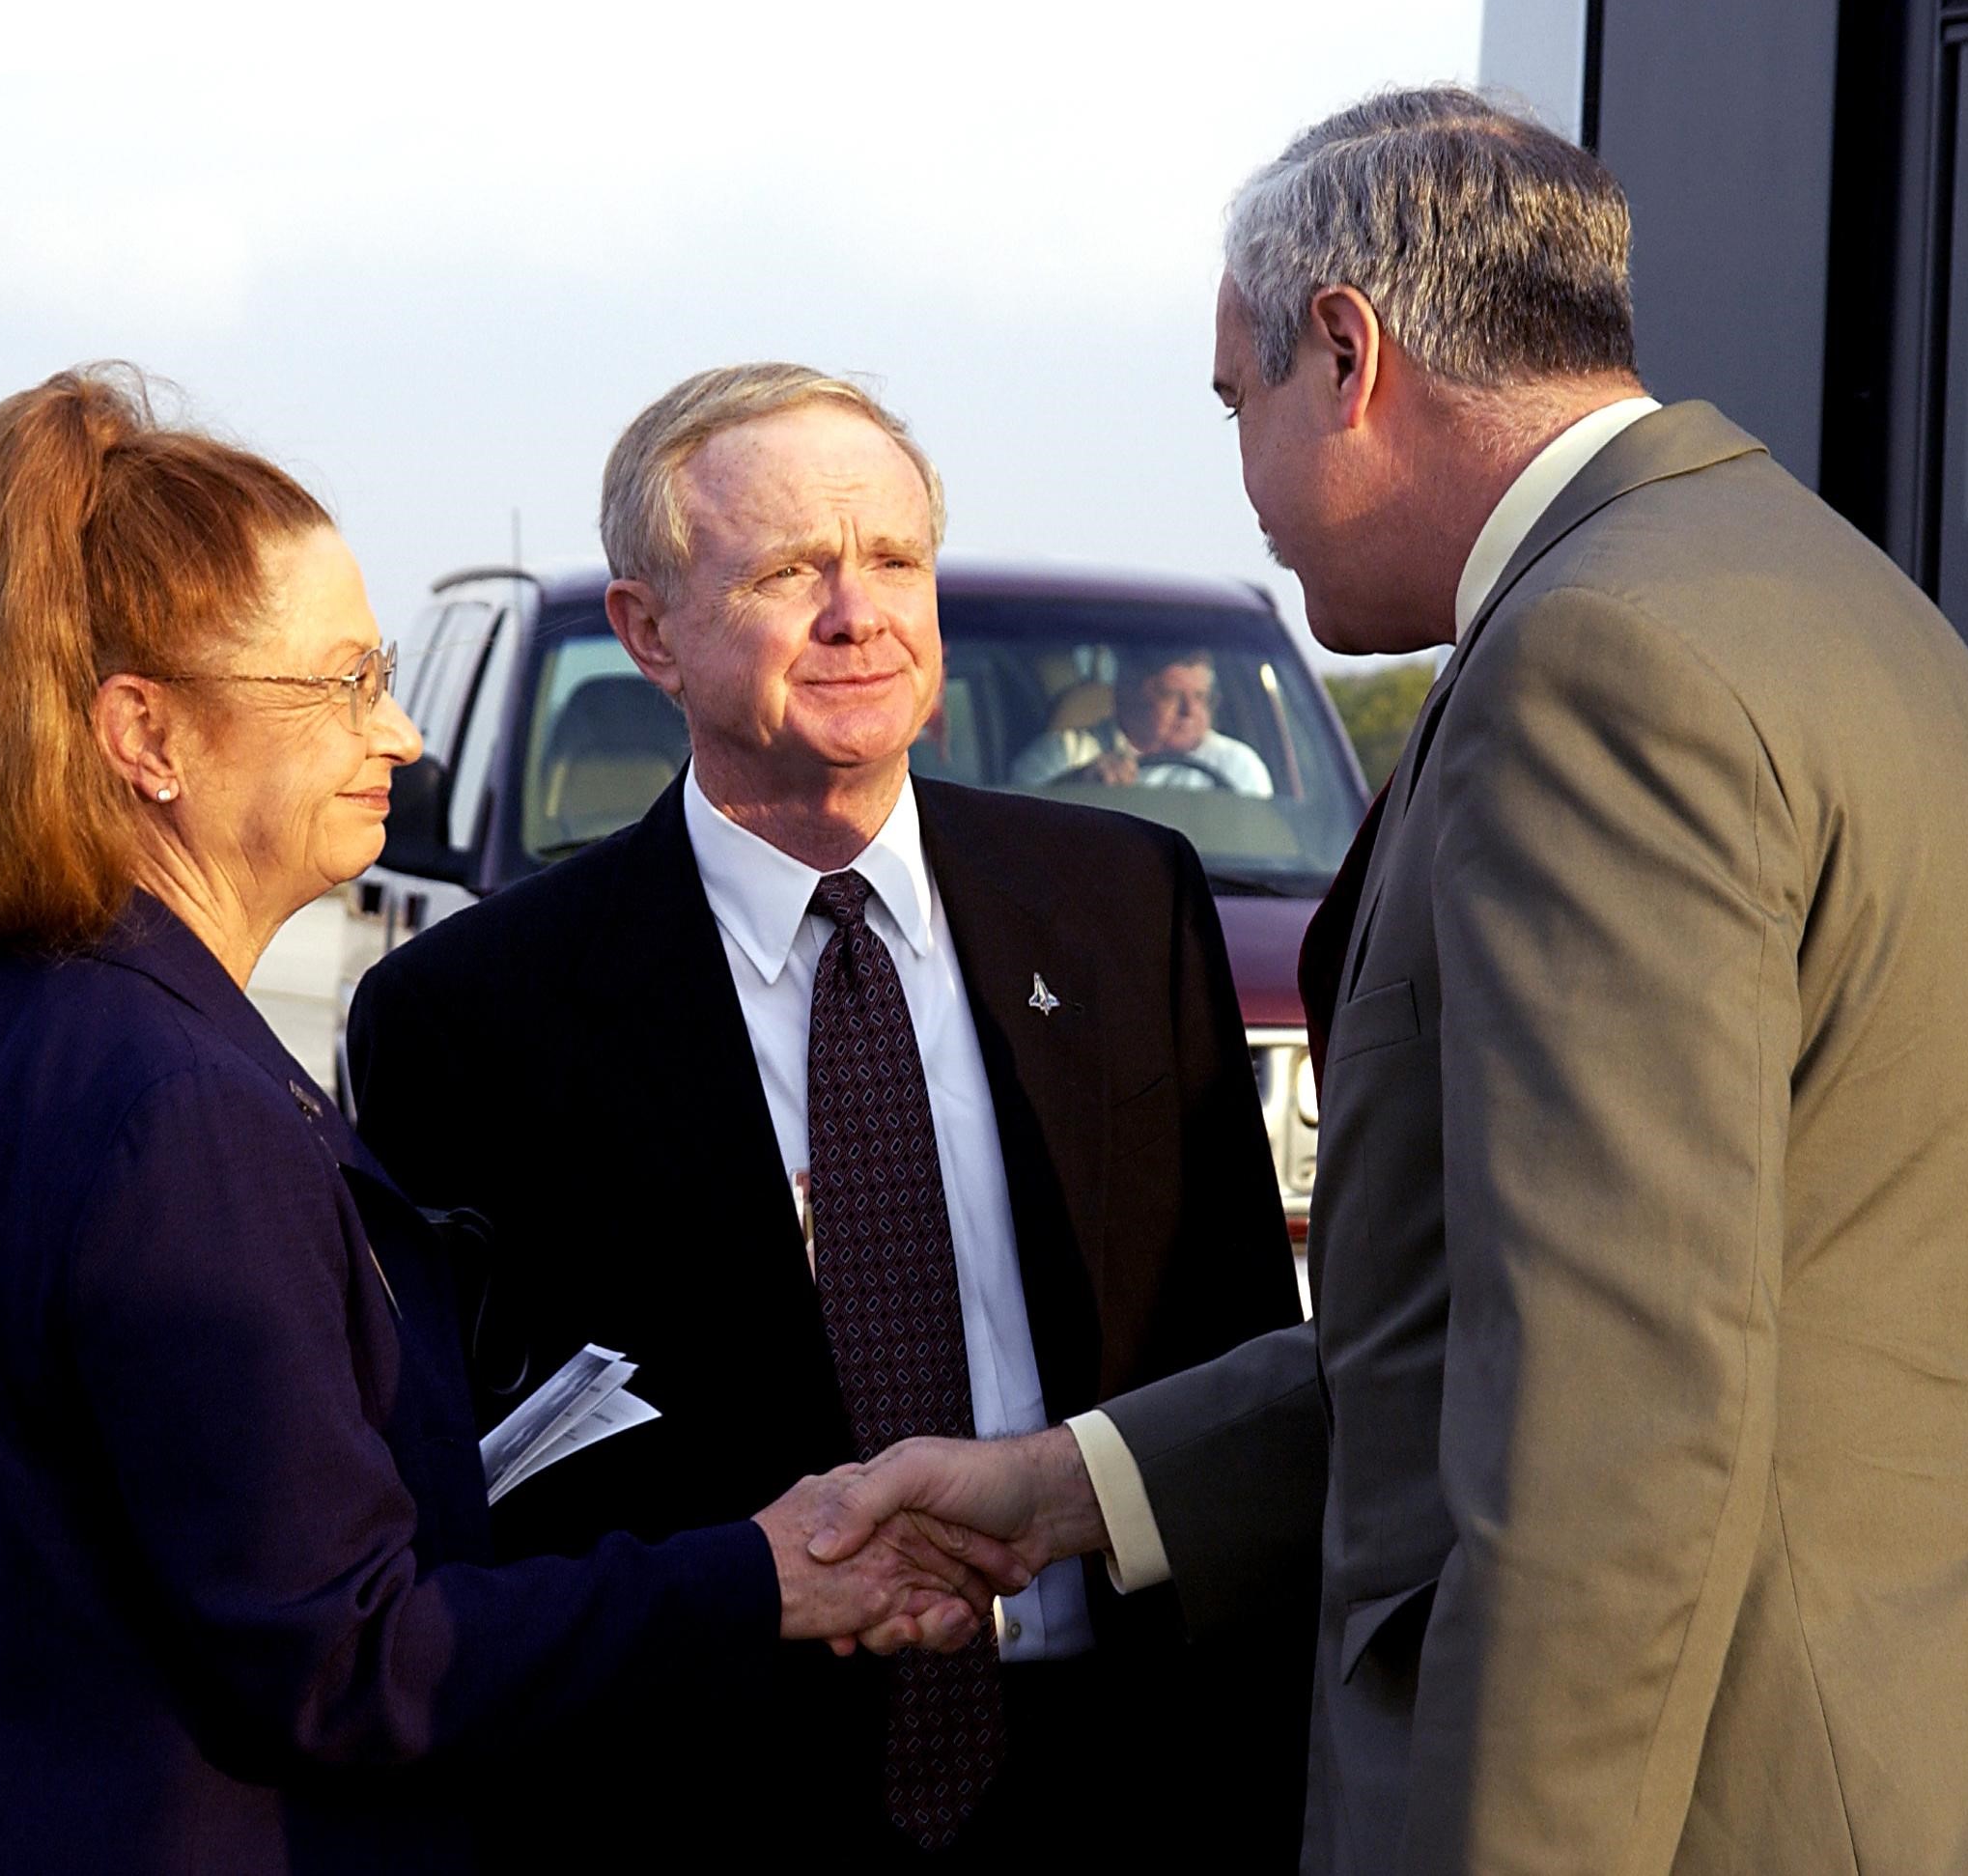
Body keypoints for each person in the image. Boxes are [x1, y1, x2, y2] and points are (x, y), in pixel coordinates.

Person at [809, 89, 1968, 1874]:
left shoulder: (1590, 668)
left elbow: (1612, 1430)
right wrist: (1072, 1487)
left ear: (1349, 353)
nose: (1245, 484)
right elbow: (1525, 1328)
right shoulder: (1810, 589)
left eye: (1236, 401)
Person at [0, 366, 1017, 1876]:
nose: (406, 731)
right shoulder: (185, 1108)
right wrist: (759, 1573)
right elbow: (347, 1657)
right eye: (346, 681)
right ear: (146, 733)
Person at [344, 363, 1308, 1871]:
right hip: (706, 1803)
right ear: (649, 631)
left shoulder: (1129, 907)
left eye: (895, 560)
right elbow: (467, 1503)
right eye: (790, 571)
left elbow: (1246, 1365)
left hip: (1125, 1782)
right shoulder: (470, 1016)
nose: (859, 614)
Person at [1008, 646, 1274, 795]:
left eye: (1201, 697)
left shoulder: (1235, 766)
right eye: (1171, 696)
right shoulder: (1063, 755)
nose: (1190, 711)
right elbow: (1014, 830)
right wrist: (1075, 789)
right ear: (1126, 695)